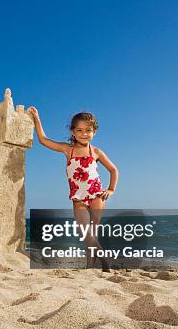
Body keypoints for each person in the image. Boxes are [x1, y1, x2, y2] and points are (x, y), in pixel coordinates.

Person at [27, 107, 119, 272]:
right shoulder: (68, 150)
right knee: (86, 234)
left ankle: (91, 267)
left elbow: (113, 170)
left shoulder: (96, 152)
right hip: (78, 198)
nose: (84, 134)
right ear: (73, 131)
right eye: (80, 130)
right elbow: (43, 140)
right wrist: (36, 118)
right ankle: (104, 258)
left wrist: (111, 189)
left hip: (97, 195)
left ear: (94, 132)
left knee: (93, 233)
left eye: (88, 130)